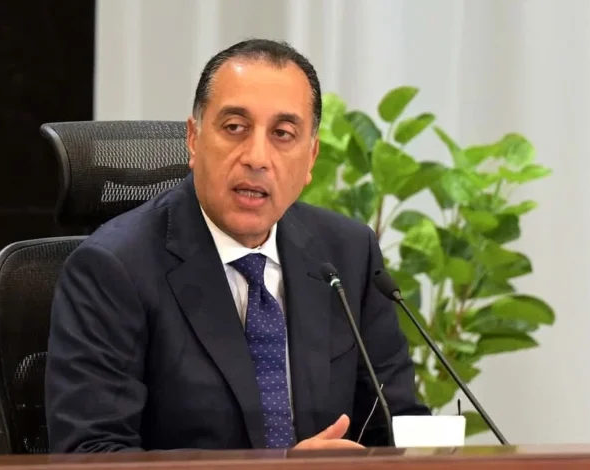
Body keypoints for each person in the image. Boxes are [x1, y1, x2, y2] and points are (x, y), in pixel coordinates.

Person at [45, 38, 430, 453]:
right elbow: (91, 454)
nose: (257, 157)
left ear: (311, 158)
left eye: (283, 134)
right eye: (234, 128)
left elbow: (398, 424)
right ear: (193, 139)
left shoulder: (348, 254)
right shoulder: (113, 269)